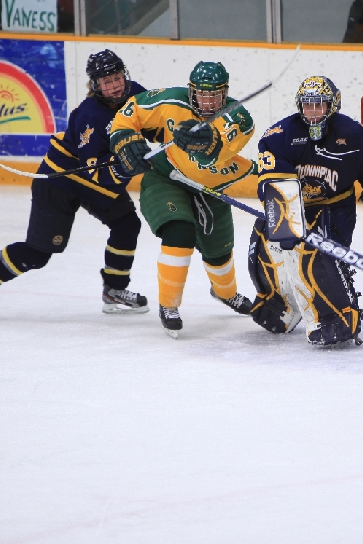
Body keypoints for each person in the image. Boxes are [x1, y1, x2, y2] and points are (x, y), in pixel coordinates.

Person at [0, 50, 148, 320]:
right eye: (107, 81)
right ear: (96, 85)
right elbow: (94, 170)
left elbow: (159, 118)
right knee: (39, 253)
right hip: (62, 180)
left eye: (117, 77)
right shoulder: (89, 116)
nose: (115, 85)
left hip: (93, 179)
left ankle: (114, 289)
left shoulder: (137, 95)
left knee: (127, 224)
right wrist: (124, 166)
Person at [248, 76, 363, 348]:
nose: (313, 112)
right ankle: (281, 306)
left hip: (335, 208)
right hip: (295, 206)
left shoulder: (354, 135)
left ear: (332, 105)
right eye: (308, 105)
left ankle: (335, 319)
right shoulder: (280, 136)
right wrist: (285, 217)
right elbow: (273, 184)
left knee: (316, 257)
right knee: (266, 242)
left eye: (319, 105)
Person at [106, 61, 257, 339]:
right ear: (191, 91)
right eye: (202, 94)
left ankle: (226, 293)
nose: (208, 103)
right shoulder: (170, 100)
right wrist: (125, 141)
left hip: (209, 187)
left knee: (219, 252)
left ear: (225, 93)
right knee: (179, 232)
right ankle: (169, 305)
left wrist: (204, 141)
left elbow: (217, 153)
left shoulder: (239, 118)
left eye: (215, 96)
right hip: (167, 177)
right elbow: (128, 114)